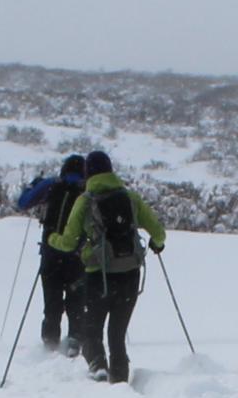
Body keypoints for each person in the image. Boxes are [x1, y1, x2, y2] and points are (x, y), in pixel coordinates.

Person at [47, 149, 166, 383]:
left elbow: (69, 242)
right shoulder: (130, 197)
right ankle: (120, 380)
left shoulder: (85, 201)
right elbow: (159, 232)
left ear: (88, 173)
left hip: (98, 276)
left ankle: (98, 367)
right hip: (130, 274)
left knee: (92, 330)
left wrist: (52, 239)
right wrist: (157, 244)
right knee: (117, 334)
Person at [14, 153, 90, 358]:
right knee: (77, 302)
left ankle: (50, 344)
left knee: (52, 303)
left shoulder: (51, 186)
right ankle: (75, 342)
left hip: (51, 254)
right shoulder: (88, 192)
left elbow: (23, 203)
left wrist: (33, 185)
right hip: (79, 257)